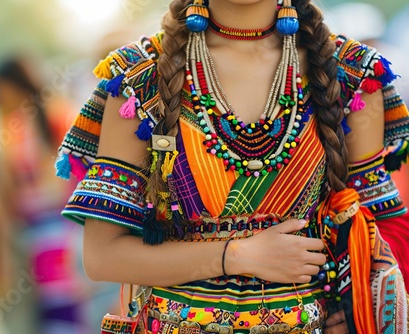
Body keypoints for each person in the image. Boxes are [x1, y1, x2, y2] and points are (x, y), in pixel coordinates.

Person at [55, 0, 409, 333]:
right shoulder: (140, 76)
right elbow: (101, 256)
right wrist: (234, 256)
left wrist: (354, 309)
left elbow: (381, 234)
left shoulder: (351, 73)